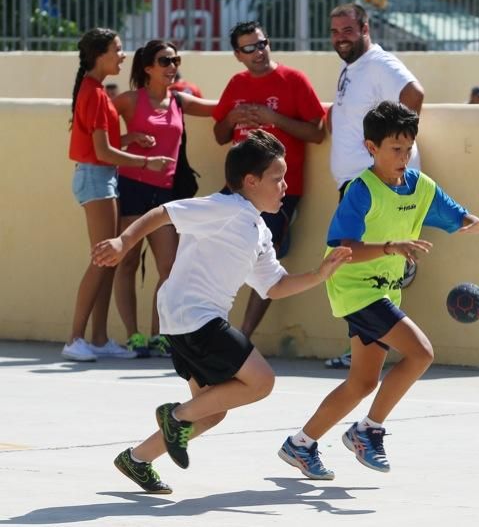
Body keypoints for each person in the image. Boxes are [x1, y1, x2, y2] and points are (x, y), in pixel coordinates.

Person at [92, 130, 351, 493]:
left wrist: (319, 275)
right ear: (251, 180)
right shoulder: (224, 207)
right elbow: (162, 213)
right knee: (260, 381)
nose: (284, 186)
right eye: (277, 179)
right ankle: (174, 416)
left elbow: (274, 286)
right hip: (193, 314)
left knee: (211, 411)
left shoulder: (258, 228)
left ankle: (137, 459)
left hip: (187, 318)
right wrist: (124, 240)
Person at [277, 101, 479, 480]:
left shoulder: (419, 186)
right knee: (420, 353)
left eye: (408, 148)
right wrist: (389, 248)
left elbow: (453, 212)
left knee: (362, 383)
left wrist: (474, 223)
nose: (403, 156)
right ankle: (368, 431)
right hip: (355, 289)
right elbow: (342, 249)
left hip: (385, 291)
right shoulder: (359, 191)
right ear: (371, 148)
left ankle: (300, 444)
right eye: (394, 149)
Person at [325, 3, 425, 369]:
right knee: (358, 271)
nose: (340, 37)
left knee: (365, 269)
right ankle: (362, 354)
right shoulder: (352, 66)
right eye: (335, 31)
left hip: (372, 186)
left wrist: (393, 154)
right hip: (358, 185)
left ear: (365, 28)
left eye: (348, 30)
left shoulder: (380, 63)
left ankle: (368, 354)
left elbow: (414, 95)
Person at [64, 27, 172, 362]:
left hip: (100, 176)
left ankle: (98, 338)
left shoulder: (94, 89)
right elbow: (102, 152)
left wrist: (130, 139)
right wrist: (145, 162)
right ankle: (75, 339)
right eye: (118, 50)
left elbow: (103, 146)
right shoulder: (95, 93)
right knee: (101, 259)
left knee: (108, 260)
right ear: (100, 54)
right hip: (97, 179)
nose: (124, 56)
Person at [213, 21, 326, 341]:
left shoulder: (293, 80)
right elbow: (220, 134)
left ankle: (243, 337)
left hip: (277, 190)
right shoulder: (236, 84)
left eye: (262, 44)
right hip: (236, 188)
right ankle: (211, 326)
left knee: (266, 258)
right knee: (217, 250)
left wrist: (272, 118)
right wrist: (232, 119)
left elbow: (317, 132)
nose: (258, 52)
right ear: (238, 54)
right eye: (249, 48)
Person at [113, 40, 217, 357]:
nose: (172, 66)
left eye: (175, 60)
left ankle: (160, 334)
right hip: (132, 186)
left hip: (165, 194)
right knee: (127, 261)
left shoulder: (180, 101)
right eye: (165, 61)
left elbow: (220, 108)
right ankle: (133, 335)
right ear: (147, 68)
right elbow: (95, 135)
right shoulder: (129, 101)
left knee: (168, 268)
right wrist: (129, 138)